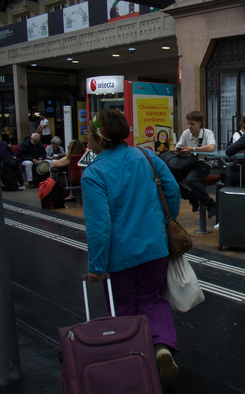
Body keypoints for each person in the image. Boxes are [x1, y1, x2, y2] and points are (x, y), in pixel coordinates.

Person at [82, 108, 181, 380]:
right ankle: (162, 346)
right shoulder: (147, 156)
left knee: (124, 305)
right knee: (152, 298)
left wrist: (96, 266)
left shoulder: (93, 174)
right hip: (155, 246)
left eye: (90, 134)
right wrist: (164, 223)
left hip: (120, 255)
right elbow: (172, 190)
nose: (87, 138)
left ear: (101, 140)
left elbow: (100, 227)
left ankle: (134, 359)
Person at [175, 111, 217, 218]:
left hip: (204, 163)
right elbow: (177, 147)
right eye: (188, 123)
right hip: (188, 164)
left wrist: (192, 149)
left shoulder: (208, 133)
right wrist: (178, 150)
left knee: (191, 179)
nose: (189, 126)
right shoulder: (186, 133)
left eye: (192, 124)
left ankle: (211, 204)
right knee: (169, 178)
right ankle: (191, 197)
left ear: (199, 123)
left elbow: (211, 148)